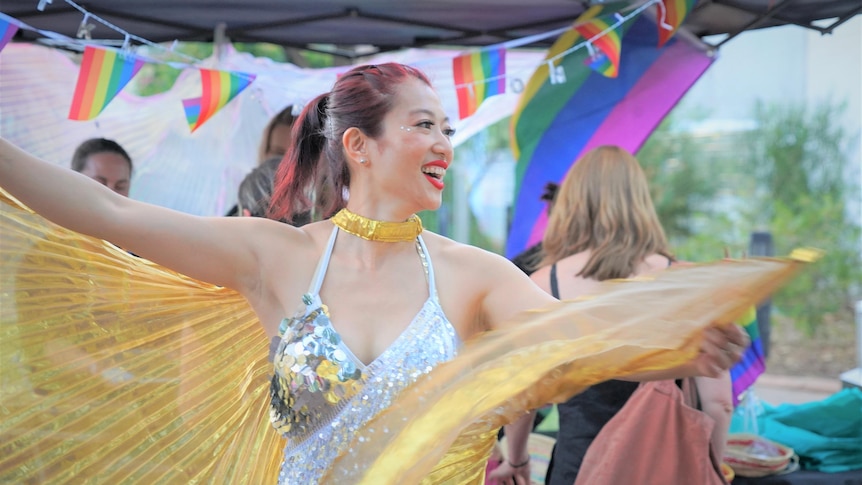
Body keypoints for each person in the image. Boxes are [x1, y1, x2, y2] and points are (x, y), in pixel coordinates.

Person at [0, 64, 747, 484]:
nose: (444, 145)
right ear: (359, 144)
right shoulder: (277, 256)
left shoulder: (474, 275)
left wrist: (677, 344)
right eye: (424, 124)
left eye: (447, 129)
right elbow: (112, 217)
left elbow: (578, 339)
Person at [517, 145, 734, 485]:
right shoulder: (687, 282)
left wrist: (517, 459)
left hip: (579, 469)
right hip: (666, 470)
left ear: (573, 203)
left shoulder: (543, 283)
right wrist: (711, 467)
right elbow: (719, 402)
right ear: (641, 202)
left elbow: (525, 393)